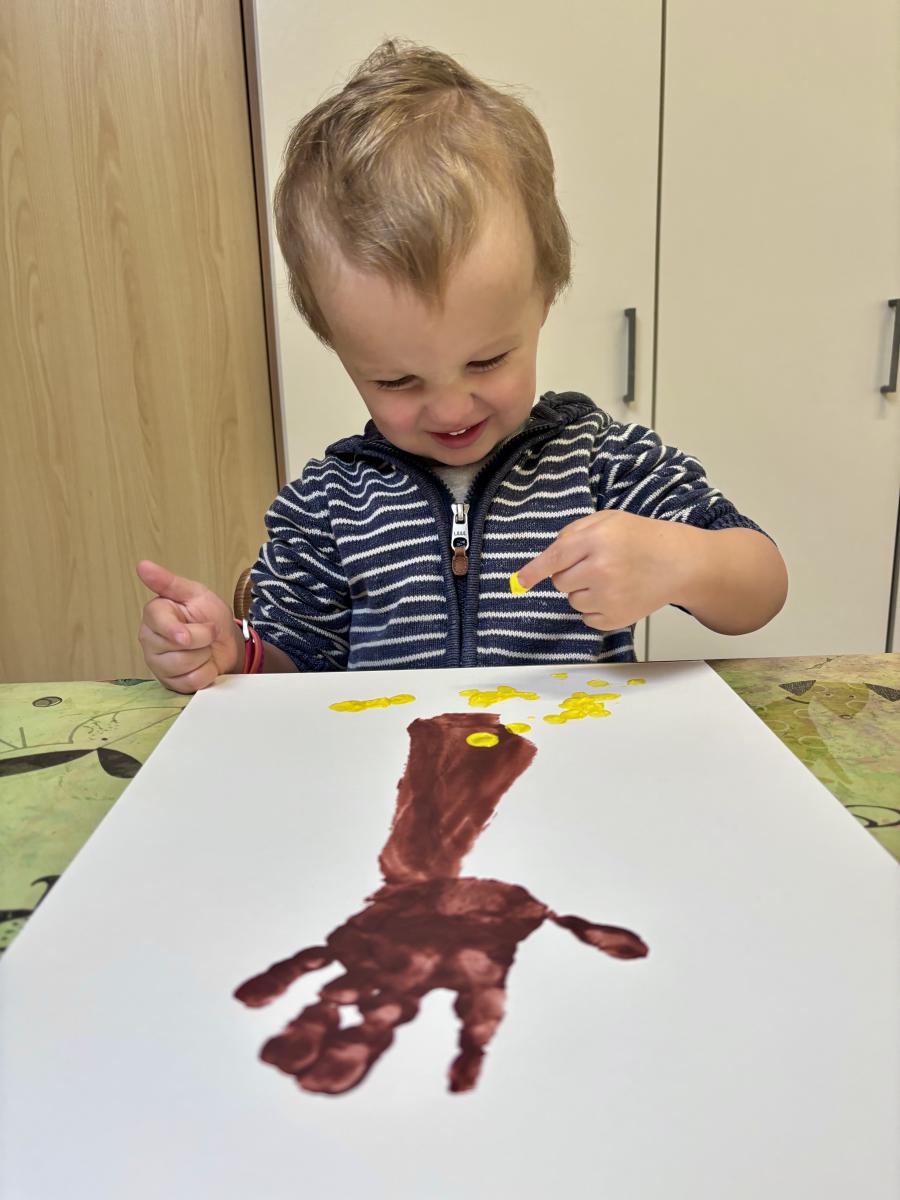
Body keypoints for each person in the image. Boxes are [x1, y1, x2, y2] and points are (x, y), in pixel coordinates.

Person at [137, 40, 787, 694]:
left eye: (486, 360)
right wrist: (232, 654)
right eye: (396, 380)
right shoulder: (328, 505)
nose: (451, 409)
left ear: (545, 299)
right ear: (337, 346)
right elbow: (290, 673)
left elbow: (762, 584)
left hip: (573, 751)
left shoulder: (602, 464)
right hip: (394, 757)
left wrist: (680, 562)